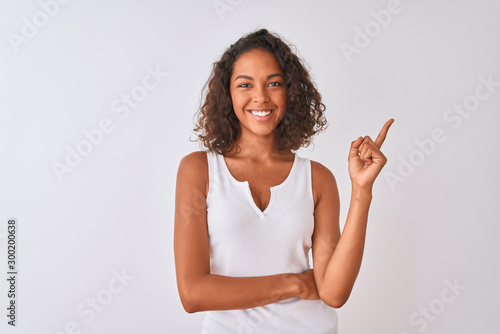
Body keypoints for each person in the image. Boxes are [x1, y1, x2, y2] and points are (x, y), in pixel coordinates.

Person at [174, 28, 394, 333]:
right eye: (245, 84)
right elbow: (192, 293)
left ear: (290, 91)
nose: (261, 97)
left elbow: (333, 292)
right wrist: (293, 284)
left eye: (274, 83)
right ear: (228, 93)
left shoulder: (317, 178)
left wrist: (361, 190)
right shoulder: (199, 170)